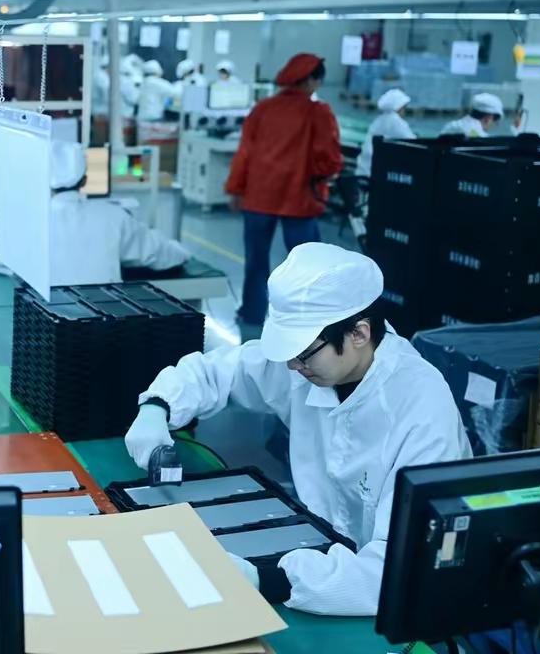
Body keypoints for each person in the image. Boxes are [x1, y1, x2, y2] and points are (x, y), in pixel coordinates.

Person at [124, 242, 472, 616]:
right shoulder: (312, 362)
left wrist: (270, 579)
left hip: (383, 598)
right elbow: (220, 371)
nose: (292, 366)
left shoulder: (421, 410)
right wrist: (157, 407)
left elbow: (403, 565)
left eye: (303, 353)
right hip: (313, 549)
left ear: (359, 333)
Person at [225, 53, 342, 340]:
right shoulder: (318, 112)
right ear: (311, 80)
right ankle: (303, 318)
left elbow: (244, 153)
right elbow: (327, 157)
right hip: (299, 198)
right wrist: (325, 175)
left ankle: (252, 312)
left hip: (259, 196)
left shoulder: (262, 109)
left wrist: (236, 188)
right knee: (305, 263)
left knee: (256, 259)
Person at [49, 140, 190, 285]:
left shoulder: (35, 221)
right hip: (102, 299)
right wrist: (181, 252)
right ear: (85, 180)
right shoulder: (113, 216)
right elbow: (158, 253)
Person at [355, 89, 415, 179]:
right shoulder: (395, 121)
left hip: (364, 169)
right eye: (404, 108)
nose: (404, 111)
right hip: (374, 172)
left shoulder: (379, 120)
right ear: (399, 107)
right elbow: (411, 141)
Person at [440, 92, 511, 137]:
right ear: (488, 118)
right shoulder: (480, 137)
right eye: (495, 121)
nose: (495, 125)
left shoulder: (451, 125)